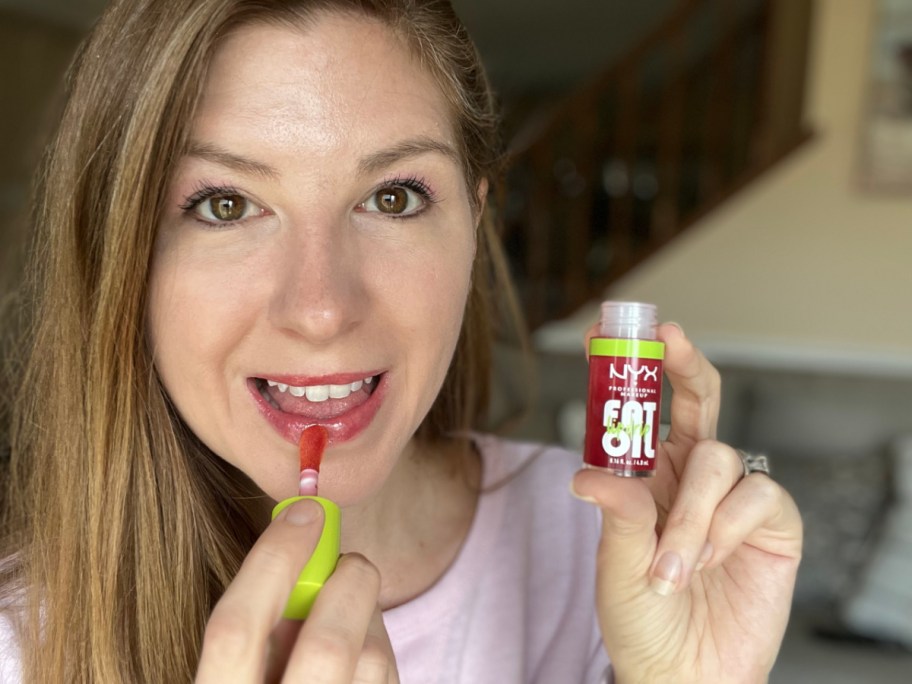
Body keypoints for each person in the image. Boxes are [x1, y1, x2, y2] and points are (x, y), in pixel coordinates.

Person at [0, 0, 803, 681]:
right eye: (225, 205)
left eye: (391, 197)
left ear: (473, 225)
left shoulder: (612, 543)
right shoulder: (19, 641)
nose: (320, 310)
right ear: (118, 253)